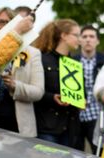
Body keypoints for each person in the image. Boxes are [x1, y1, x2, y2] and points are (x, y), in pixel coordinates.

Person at [0, 7, 44, 137]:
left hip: (16, 125)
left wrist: (15, 86)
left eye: (3, 22)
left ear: (15, 23)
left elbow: (38, 92)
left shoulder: (32, 53)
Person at [33, 19, 81, 148]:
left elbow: (79, 94)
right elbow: (34, 91)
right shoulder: (42, 59)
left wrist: (81, 101)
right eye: (76, 35)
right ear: (64, 36)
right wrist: (52, 98)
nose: (79, 39)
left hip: (69, 130)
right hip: (46, 128)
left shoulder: (75, 65)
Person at [74, 25, 104, 152]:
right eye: (84, 37)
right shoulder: (71, 61)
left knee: (99, 151)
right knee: (75, 152)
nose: (88, 40)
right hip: (76, 115)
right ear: (79, 40)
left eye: (91, 36)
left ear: (97, 41)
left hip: (97, 116)